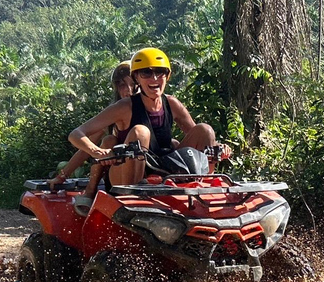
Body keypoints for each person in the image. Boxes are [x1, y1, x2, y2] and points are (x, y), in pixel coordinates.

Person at [68, 47, 228, 212]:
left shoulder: (172, 104)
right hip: (126, 173)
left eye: (160, 72)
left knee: (205, 130)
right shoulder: (124, 106)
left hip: (164, 168)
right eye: (146, 73)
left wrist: (218, 149)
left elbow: (198, 142)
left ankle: (205, 195)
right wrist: (99, 152)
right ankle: (130, 202)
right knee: (140, 132)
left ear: (167, 76)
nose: (155, 78)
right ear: (137, 77)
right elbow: (76, 134)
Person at [48, 61, 136, 214]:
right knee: (109, 140)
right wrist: (62, 176)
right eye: (122, 85)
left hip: (147, 169)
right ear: (116, 88)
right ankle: (90, 190)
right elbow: (85, 148)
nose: (128, 91)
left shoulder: (156, 106)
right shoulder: (114, 112)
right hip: (118, 168)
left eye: (133, 84)